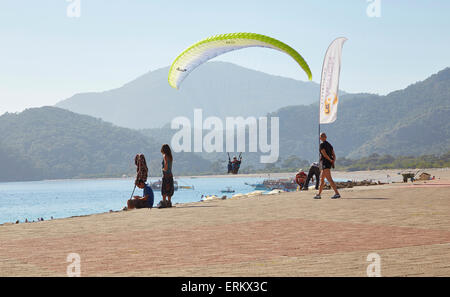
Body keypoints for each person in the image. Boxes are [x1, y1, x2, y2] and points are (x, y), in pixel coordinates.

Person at [314, 133, 341, 199]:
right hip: (327, 163)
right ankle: (319, 194)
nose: (320, 138)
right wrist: (332, 161)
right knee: (322, 179)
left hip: (325, 163)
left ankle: (337, 193)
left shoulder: (322, 145)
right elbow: (334, 155)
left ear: (322, 138)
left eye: (320, 137)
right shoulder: (330, 145)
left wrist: (330, 160)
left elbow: (324, 154)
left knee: (329, 179)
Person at [157, 144, 174, 208]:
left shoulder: (165, 155)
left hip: (166, 174)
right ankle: (169, 202)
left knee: (164, 189)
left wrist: (164, 169)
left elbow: (166, 163)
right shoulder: (170, 156)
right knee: (169, 188)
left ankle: (164, 202)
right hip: (170, 174)